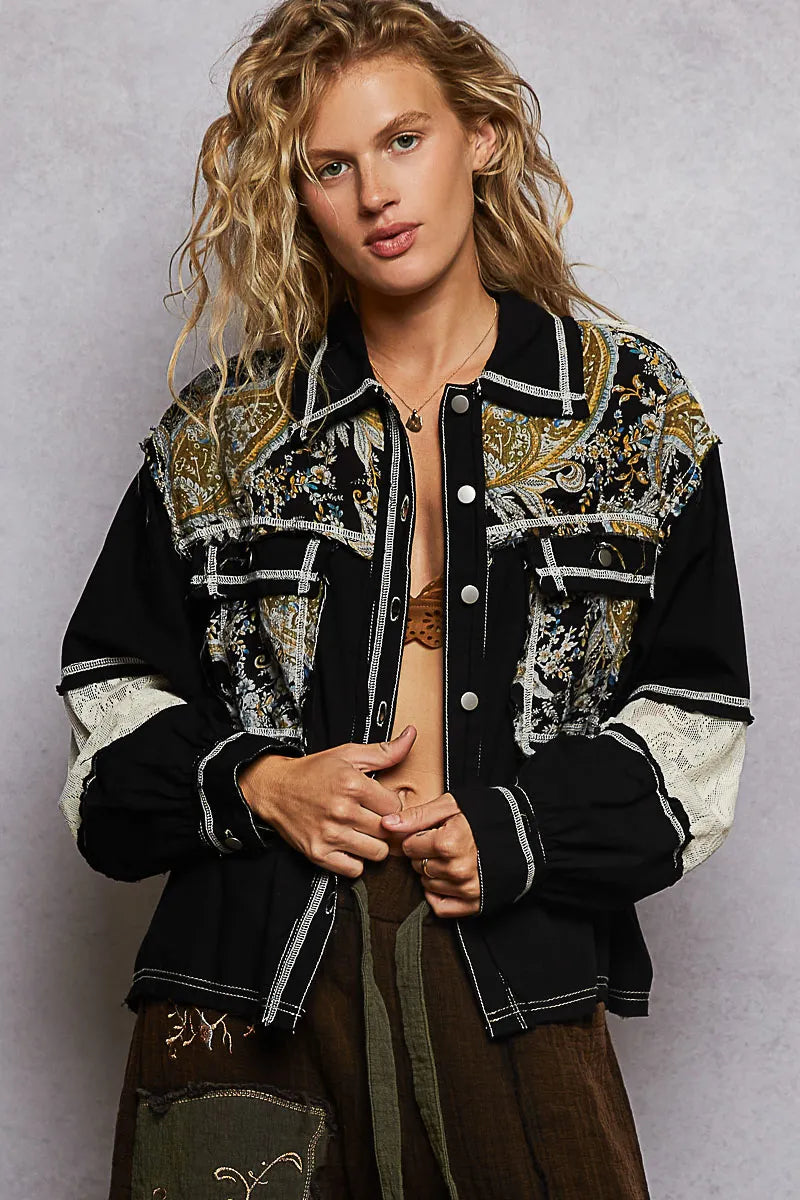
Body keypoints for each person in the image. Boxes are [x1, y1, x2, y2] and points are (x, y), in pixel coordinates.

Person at [56, 1, 753, 1196]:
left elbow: (697, 725)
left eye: (402, 140)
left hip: (510, 962)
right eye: (329, 165)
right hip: (248, 971)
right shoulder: (224, 434)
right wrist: (259, 782)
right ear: (298, 194)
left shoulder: (631, 417)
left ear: (480, 136)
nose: (375, 193)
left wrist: (520, 829)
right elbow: (105, 720)